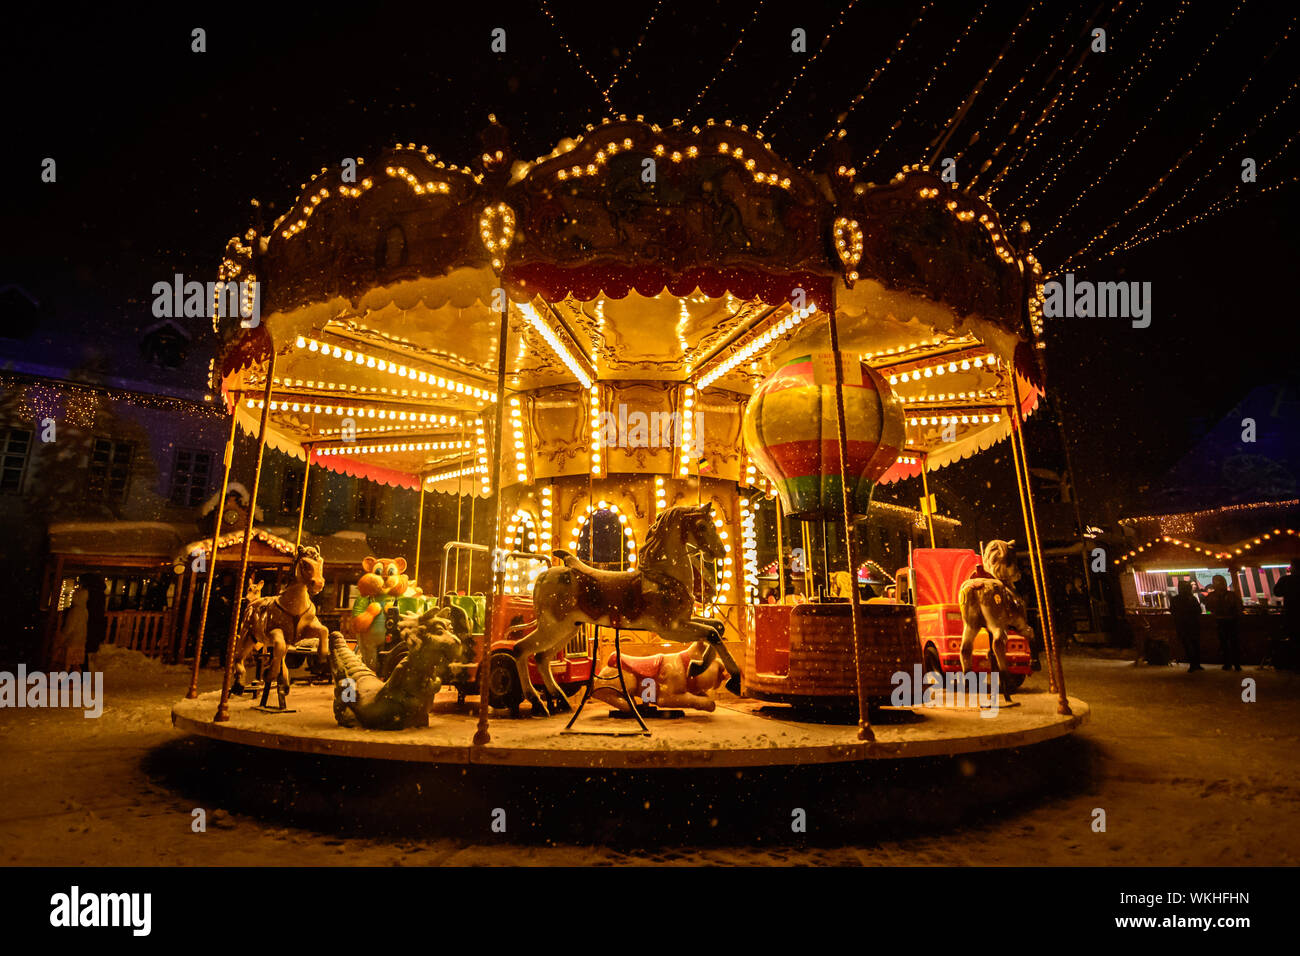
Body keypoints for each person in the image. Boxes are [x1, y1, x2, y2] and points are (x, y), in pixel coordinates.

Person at [1203, 574, 1243, 671]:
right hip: (1232, 621)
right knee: (1234, 643)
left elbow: (1208, 607)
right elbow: (1240, 607)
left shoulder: (1212, 596)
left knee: (1225, 643)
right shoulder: (1232, 595)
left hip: (1220, 622)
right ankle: (1236, 664)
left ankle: (1227, 664)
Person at [1170, 579, 1203, 672]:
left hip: (1182, 626)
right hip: (1193, 625)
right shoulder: (1192, 598)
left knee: (1188, 646)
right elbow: (1199, 611)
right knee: (1195, 645)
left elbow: (1172, 611)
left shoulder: (1175, 599)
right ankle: (1197, 664)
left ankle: (1193, 664)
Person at [55, 588, 89, 672]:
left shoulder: (74, 611)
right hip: (80, 641)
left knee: (67, 663)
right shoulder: (85, 611)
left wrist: (62, 636)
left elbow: (69, 627)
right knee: (75, 663)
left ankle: (64, 678)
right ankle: (75, 678)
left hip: (72, 641)